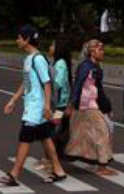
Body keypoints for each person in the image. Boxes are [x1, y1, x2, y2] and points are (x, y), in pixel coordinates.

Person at [0, 25, 68, 186]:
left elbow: (47, 83)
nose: (17, 40)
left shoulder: (38, 59)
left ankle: (13, 175)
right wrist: (13, 100)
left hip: (37, 107)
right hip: (32, 105)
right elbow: (26, 82)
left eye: (19, 38)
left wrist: (47, 106)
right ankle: (58, 170)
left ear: (27, 39)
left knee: (25, 138)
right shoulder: (28, 59)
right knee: (45, 137)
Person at [66, 38, 117, 176]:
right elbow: (77, 85)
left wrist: (107, 107)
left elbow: (99, 90)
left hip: (90, 105)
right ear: (92, 52)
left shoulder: (96, 68)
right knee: (102, 131)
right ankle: (102, 166)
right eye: (100, 50)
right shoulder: (85, 67)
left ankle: (93, 161)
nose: (103, 52)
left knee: (84, 134)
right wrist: (71, 104)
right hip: (85, 105)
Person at [37, 38, 73, 170]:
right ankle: (51, 158)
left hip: (59, 105)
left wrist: (45, 83)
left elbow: (57, 82)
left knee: (52, 132)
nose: (50, 47)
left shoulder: (61, 64)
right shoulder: (56, 62)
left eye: (52, 45)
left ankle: (51, 160)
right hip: (57, 103)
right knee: (52, 130)